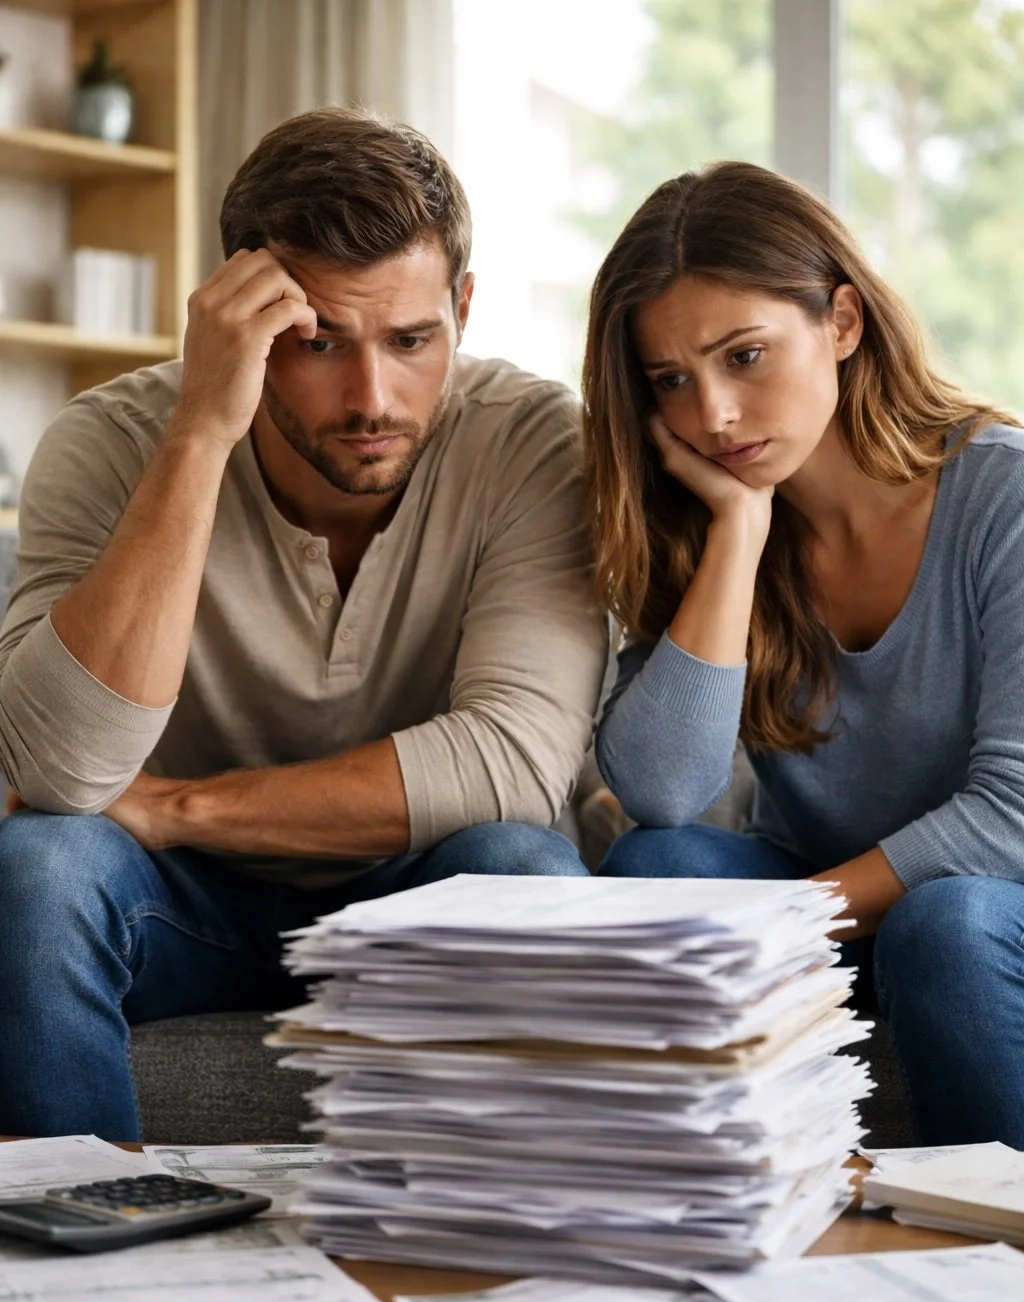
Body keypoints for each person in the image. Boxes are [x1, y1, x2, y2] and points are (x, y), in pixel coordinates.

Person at [0, 109, 607, 1139]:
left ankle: (490, 1266)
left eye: (413, 340)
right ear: (238, 320)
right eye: (316, 344)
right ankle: (92, 1262)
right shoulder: (107, 442)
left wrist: (179, 808)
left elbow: (512, 764)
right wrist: (200, 429)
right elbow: (64, 776)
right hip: (177, 905)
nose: (372, 397)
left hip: (410, 888)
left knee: (527, 868)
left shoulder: (532, 440)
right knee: (40, 868)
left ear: (463, 308)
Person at [584, 160, 1024, 1149]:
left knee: (943, 926)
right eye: (670, 381)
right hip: (852, 922)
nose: (711, 417)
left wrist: (784, 921)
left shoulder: (1004, 498)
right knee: (655, 864)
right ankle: (720, 1216)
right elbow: (662, 791)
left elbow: (1013, 821)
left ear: (842, 322)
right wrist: (739, 530)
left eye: (743, 356)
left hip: (987, 926)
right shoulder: (708, 522)